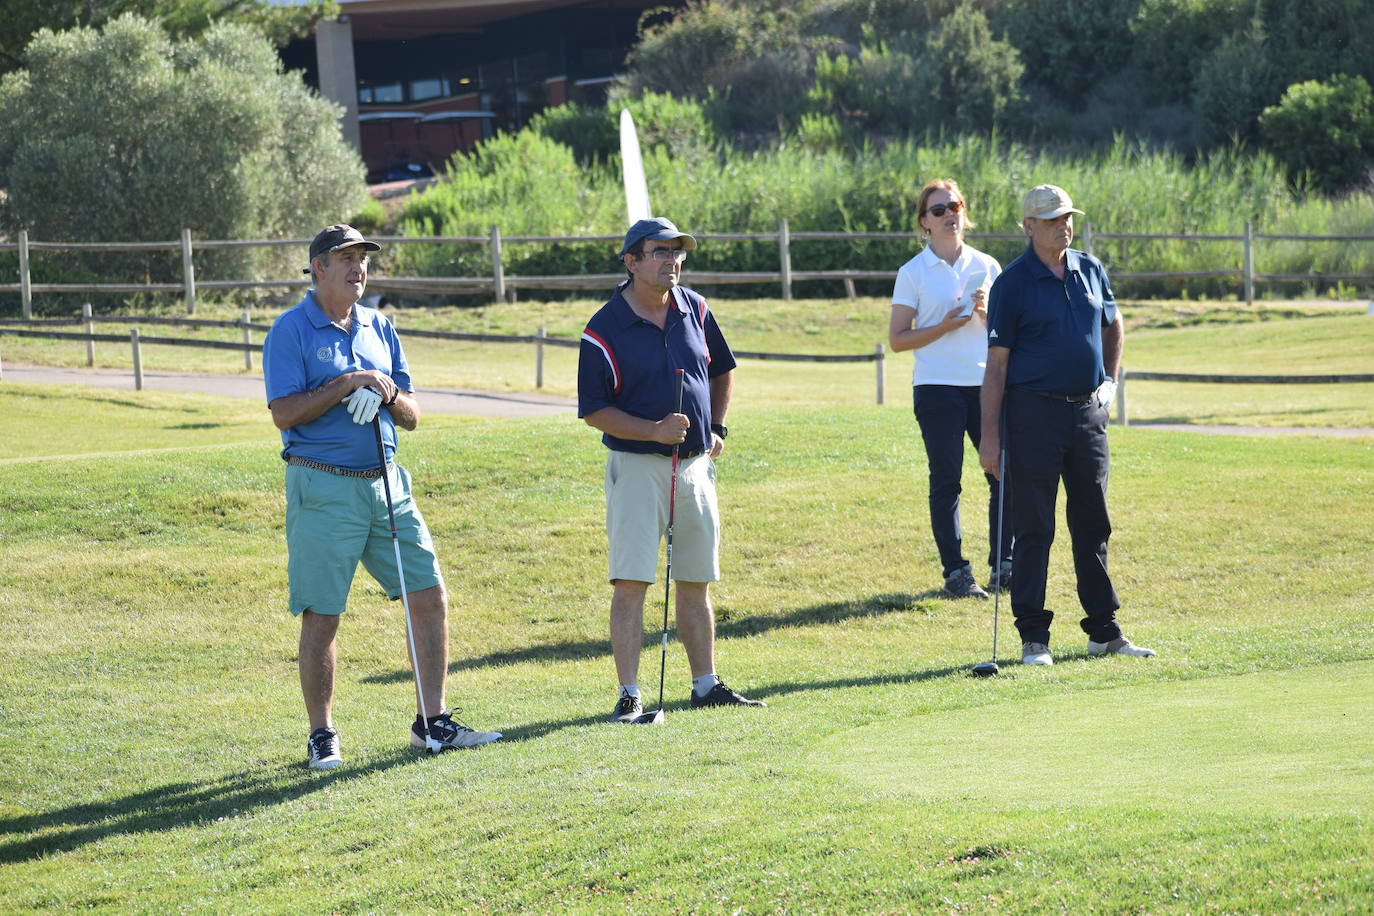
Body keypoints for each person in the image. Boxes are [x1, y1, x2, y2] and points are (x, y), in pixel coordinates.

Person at [263, 223, 501, 768]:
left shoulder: (380, 326)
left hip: (388, 482)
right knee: (323, 613)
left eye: (363, 258)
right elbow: (284, 412)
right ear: (318, 267)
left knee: (428, 592)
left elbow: (413, 416)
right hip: (321, 483)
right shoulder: (291, 330)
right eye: (346, 258)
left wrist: (388, 392)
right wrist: (346, 384)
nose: (358, 268)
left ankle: (432, 723)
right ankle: (321, 732)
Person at [577, 216, 765, 723]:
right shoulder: (603, 328)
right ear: (632, 261)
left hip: (696, 467)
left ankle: (705, 684)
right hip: (637, 466)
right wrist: (653, 430)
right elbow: (594, 409)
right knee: (632, 580)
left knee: (695, 577)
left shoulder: (697, 310)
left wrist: (718, 429)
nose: (672, 261)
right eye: (660, 252)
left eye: (678, 252)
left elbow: (723, 370)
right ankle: (629, 693)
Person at [978, 186, 1157, 666]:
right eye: (1052, 218)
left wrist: (1110, 382)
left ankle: (1104, 631)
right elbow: (996, 367)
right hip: (1032, 416)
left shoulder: (1089, 268)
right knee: (1034, 528)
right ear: (1028, 226)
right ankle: (1034, 637)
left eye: (1067, 217)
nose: (1064, 225)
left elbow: (1113, 325)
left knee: (1093, 524)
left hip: (1087, 415)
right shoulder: (1012, 283)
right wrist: (989, 439)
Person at [888, 179, 1011, 600]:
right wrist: (947, 324)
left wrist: (986, 311)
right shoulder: (913, 273)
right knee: (947, 481)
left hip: (986, 385)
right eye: (938, 210)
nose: (949, 215)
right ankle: (957, 574)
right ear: (924, 222)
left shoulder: (988, 266)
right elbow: (898, 339)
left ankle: (1004, 566)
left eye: (954, 206)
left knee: (1002, 470)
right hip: (937, 387)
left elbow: (1007, 332)